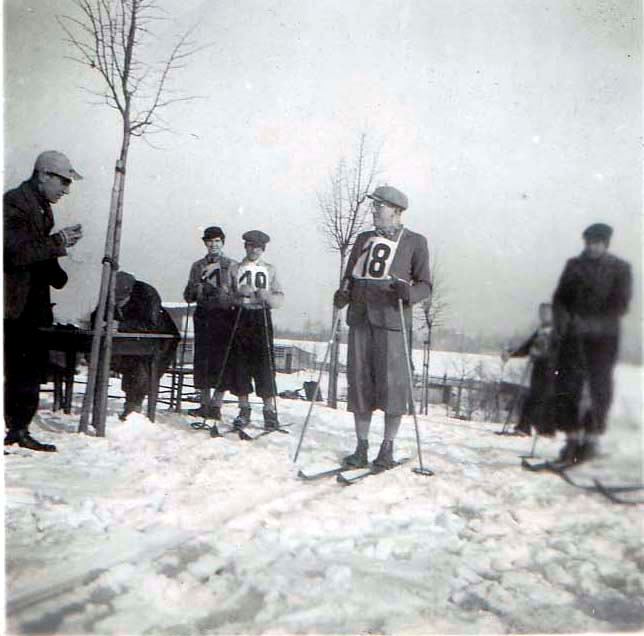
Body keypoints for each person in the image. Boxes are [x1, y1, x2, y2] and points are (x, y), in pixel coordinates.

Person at [333, 185, 431, 469]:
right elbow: (349, 277)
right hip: (361, 318)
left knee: (391, 386)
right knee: (360, 382)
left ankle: (386, 448)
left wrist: (409, 294)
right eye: (374, 206)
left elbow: (425, 284)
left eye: (380, 206)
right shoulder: (363, 239)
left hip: (392, 320)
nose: (374, 210)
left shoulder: (415, 241)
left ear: (397, 212)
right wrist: (342, 294)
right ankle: (361, 447)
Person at [4, 150, 84, 452]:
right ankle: (16, 429)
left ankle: (19, 429)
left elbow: (37, 252)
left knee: (31, 368)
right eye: (63, 182)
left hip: (35, 305)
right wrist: (58, 242)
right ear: (43, 175)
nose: (66, 189)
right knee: (19, 368)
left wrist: (59, 272)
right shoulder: (13, 202)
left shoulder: (41, 208)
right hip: (15, 305)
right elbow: (14, 253)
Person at [551, 223, 631, 465]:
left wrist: (591, 323)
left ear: (605, 244)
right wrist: (563, 323)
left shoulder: (620, 268)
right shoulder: (574, 266)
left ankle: (592, 440)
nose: (592, 247)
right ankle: (572, 439)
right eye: (589, 242)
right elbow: (559, 299)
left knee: (598, 388)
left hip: (603, 338)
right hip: (573, 335)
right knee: (568, 385)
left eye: (597, 242)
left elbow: (621, 304)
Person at [100, 271, 180, 420]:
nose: (118, 305)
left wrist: (121, 325)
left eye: (122, 301)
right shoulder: (112, 290)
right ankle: (129, 405)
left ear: (130, 293)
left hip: (162, 340)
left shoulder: (147, 295)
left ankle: (134, 407)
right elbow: (98, 314)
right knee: (125, 363)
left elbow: (151, 324)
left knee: (144, 368)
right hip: (130, 342)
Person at [229, 230, 284, 430]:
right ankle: (244, 409)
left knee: (265, 364)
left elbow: (279, 298)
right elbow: (225, 296)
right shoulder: (235, 268)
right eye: (251, 246)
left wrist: (266, 296)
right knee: (241, 364)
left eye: (258, 247)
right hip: (241, 317)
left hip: (261, 317)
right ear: (245, 246)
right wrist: (237, 294)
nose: (254, 250)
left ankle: (269, 411)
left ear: (263, 249)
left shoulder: (270, 269)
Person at [183, 226, 237, 420]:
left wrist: (226, 296)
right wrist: (194, 290)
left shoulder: (231, 265)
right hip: (204, 316)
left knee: (222, 360)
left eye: (217, 241)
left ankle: (217, 405)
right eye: (210, 241)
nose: (213, 245)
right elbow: (188, 294)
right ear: (205, 243)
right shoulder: (197, 266)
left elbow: (238, 293)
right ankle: (204, 404)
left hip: (224, 317)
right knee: (203, 360)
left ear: (222, 243)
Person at [501, 303, 557, 437]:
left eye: (546, 313)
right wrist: (511, 353)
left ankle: (531, 428)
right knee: (535, 397)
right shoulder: (541, 330)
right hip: (539, 368)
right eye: (541, 313)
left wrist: (542, 353)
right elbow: (527, 347)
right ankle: (532, 428)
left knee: (539, 398)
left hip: (550, 369)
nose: (543, 316)